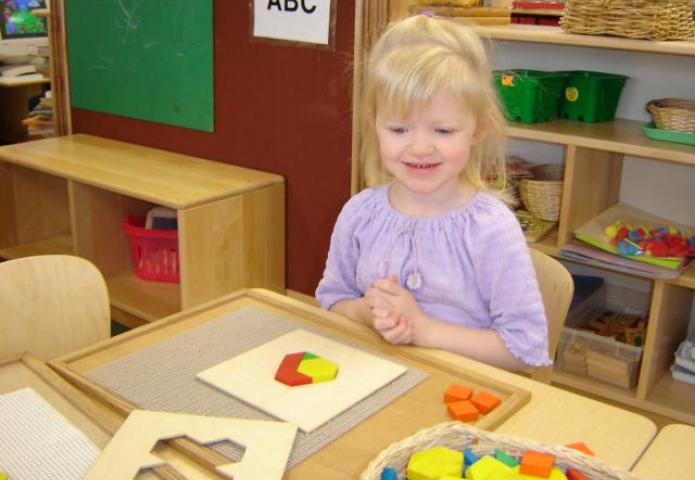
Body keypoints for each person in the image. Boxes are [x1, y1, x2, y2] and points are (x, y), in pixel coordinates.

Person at [315, 14, 550, 370]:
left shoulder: (491, 228)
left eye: (442, 130)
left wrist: (422, 330)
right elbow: (332, 299)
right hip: (373, 379)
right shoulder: (359, 213)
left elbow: (523, 351)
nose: (420, 147)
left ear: (478, 129)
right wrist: (367, 313)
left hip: (461, 398)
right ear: (372, 124)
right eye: (398, 129)